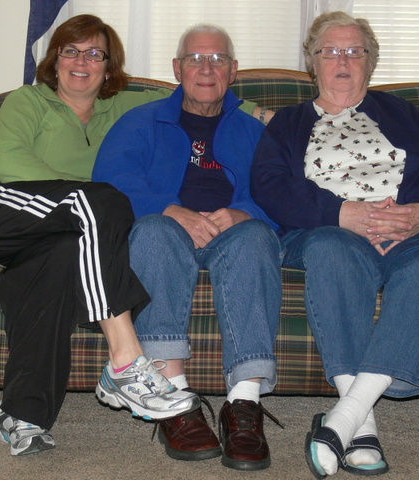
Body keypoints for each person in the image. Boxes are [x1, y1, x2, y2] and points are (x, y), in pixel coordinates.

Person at [0, 14, 210, 456]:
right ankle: (125, 361)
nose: (81, 61)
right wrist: (81, 198)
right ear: (55, 61)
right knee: (105, 200)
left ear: (109, 68)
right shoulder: (28, 101)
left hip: (60, 227)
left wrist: (263, 114)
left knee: (52, 268)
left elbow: (195, 96)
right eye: (70, 51)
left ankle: (23, 413)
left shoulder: (124, 107)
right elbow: (9, 161)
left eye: (94, 54)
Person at [250, 11, 419, 478]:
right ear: (312, 62)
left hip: (411, 231)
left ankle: (346, 419)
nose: (343, 60)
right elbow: (269, 184)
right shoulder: (289, 122)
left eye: (355, 51)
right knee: (334, 250)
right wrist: (343, 214)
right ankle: (360, 420)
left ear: (370, 62)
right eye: (330, 51)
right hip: (326, 232)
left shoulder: (399, 112)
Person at [93, 24, 283, 471]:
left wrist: (243, 212)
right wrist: (170, 210)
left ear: (233, 71)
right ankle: (174, 400)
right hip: (167, 230)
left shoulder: (256, 130)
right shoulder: (141, 121)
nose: (207, 68)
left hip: (231, 234)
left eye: (218, 59)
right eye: (196, 59)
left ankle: (245, 404)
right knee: (155, 232)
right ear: (177, 69)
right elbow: (110, 183)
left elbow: (283, 193)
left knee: (257, 237)